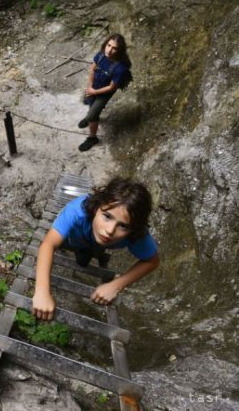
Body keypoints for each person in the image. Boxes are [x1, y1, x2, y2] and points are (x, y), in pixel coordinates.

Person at [32, 177, 159, 321]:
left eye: (122, 226)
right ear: (97, 207)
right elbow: (48, 244)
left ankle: (91, 252)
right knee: (64, 247)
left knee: (84, 260)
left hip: (95, 242)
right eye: (107, 216)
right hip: (72, 236)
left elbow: (152, 261)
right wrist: (42, 291)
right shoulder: (77, 212)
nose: (110, 230)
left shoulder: (136, 233)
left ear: (133, 228)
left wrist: (116, 285)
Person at [77, 33, 133, 152]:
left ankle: (92, 138)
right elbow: (92, 69)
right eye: (109, 45)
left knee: (93, 114)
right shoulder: (101, 55)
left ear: (119, 50)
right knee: (90, 102)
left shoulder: (120, 68)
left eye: (114, 48)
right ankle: (90, 116)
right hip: (95, 85)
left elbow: (112, 88)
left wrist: (94, 91)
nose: (110, 50)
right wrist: (90, 87)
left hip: (105, 92)